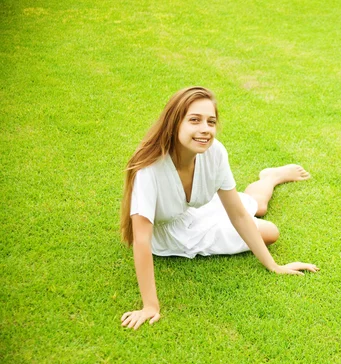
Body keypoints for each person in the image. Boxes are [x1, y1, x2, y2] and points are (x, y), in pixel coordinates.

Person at [119, 86, 318, 330]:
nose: (205, 129)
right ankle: (268, 179)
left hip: (196, 209)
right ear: (174, 123)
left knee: (258, 208)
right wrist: (150, 306)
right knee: (269, 231)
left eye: (211, 122)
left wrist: (274, 266)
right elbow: (141, 239)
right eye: (194, 120)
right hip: (173, 232)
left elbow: (237, 214)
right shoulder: (150, 170)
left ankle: (269, 177)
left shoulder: (215, 153)